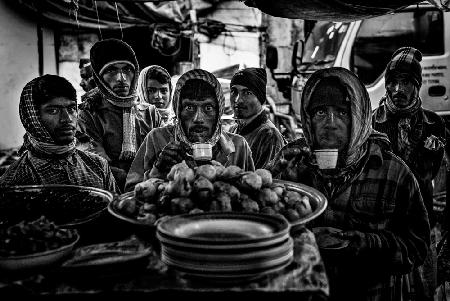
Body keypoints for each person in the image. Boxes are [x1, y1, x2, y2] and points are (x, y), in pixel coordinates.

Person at [266, 67, 430, 300]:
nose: (330, 123)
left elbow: (416, 247)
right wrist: (275, 171)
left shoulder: (392, 172)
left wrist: (357, 243)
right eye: (321, 112)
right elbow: (261, 226)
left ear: (359, 116)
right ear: (308, 118)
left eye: (342, 113)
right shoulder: (292, 163)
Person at [372, 47, 445, 299]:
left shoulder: (434, 124)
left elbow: (430, 175)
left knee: (421, 289)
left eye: (406, 83)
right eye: (392, 82)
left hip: (420, 220)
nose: (397, 90)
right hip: (384, 223)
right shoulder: (372, 124)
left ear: (418, 85)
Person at [125, 69, 255, 191]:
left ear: (218, 112)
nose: (198, 119)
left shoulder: (238, 146)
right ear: (178, 111)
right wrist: (158, 170)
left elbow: (255, 191)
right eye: (189, 107)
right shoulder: (157, 138)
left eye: (208, 108)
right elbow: (130, 193)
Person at [0, 74, 118, 193]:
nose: (67, 119)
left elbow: (116, 208)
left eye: (71, 108)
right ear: (33, 118)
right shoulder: (15, 183)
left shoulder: (98, 166)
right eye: (53, 111)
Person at [78, 38, 162, 191]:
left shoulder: (150, 113)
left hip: (150, 190)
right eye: (111, 71)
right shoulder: (89, 114)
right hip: (110, 191)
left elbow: (162, 154)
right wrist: (136, 183)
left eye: (127, 70)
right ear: (99, 77)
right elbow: (97, 163)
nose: (121, 79)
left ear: (135, 72)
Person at [228, 67, 286, 169]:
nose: (238, 99)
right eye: (234, 91)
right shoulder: (233, 130)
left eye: (247, 93)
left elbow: (264, 180)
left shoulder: (269, 136)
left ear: (260, 98)